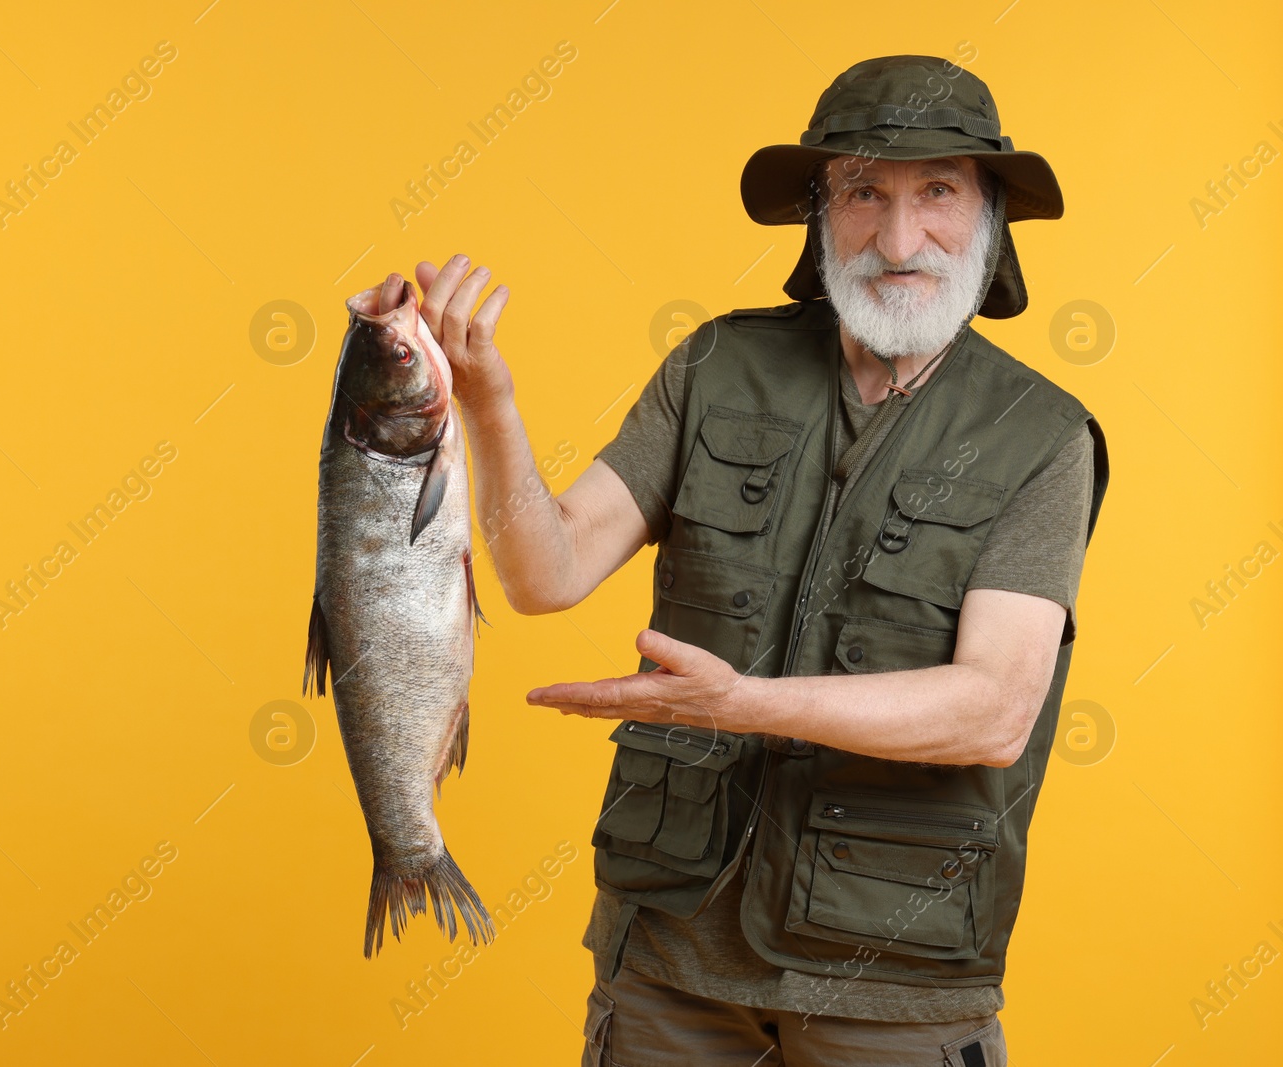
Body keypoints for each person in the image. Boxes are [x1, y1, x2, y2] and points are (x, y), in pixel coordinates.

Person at [379, 54, 1108, 1066]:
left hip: (892, 980)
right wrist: (488, 401)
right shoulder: (715, 365)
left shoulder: (1044, 435)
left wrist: (742, 703)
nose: (900, 240)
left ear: (989, 215)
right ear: (819, 214)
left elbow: (990, 710)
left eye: (936, 191)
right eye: (862, 192)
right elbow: (545, 574)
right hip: (669, 965)